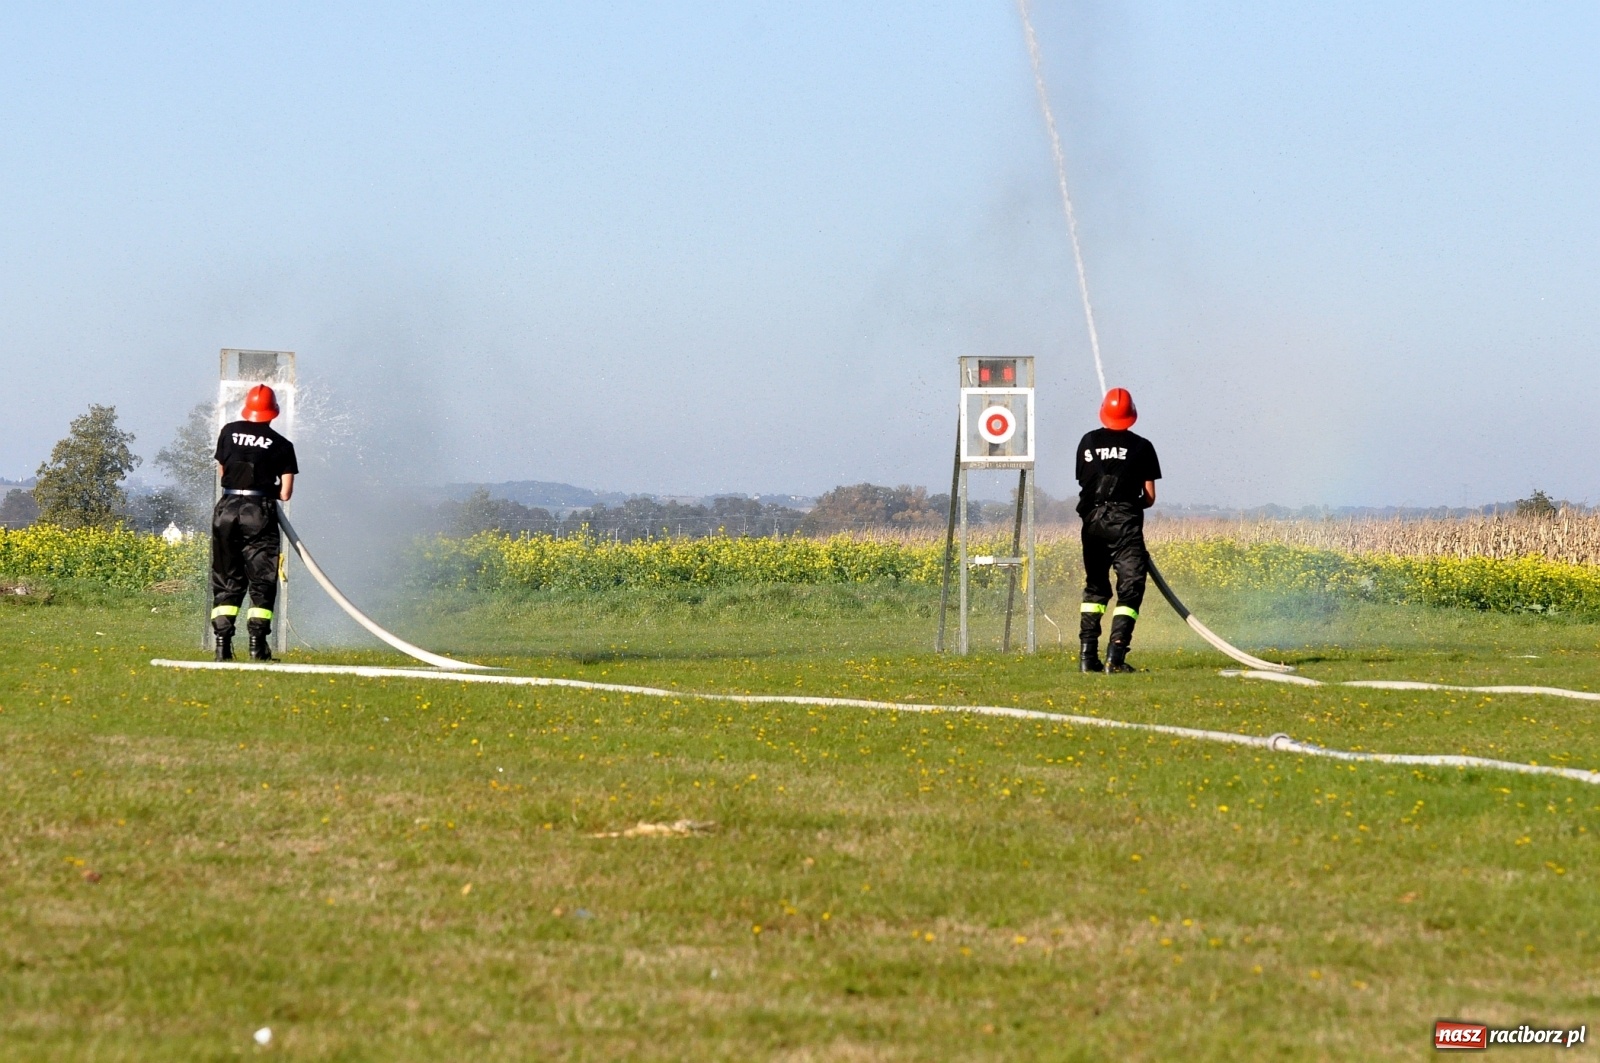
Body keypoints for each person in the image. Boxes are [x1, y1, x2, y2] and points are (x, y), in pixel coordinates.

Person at [1075, 387, 1160, 673]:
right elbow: (1149, 497)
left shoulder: (1087, 442)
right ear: (1132, 414)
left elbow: (1084, 482)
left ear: (1103, 412)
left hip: (1092, 524)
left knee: (1096, 589)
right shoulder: (1143, 446)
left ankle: (1087, 658)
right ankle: (1116, 657)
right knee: (1130, 589)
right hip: (1125, 525)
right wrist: (1128, 504)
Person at [210, 385, 297, 661]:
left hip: (226, 509)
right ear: (274, 412)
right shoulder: (282, 444)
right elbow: (285, 493)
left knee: (226, 576)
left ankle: (222, 646)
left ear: (247, 408)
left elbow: (223, 471)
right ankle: (257, 646)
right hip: (258, 512)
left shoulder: (228, 431)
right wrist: (263, 488)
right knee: (261, 578)